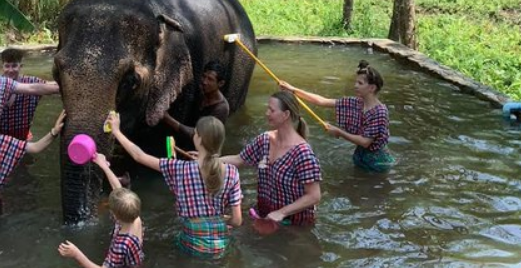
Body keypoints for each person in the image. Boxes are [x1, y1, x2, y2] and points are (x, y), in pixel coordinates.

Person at [109, 112, 243, 258]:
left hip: (192, 247)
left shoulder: (180, 168)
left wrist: (116, 131)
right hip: (220, 248)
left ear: (198, 139)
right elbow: (237, 221)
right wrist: (216, 220)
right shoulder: (232, 172)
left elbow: (139, 156)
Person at [221, 91, 322, 226]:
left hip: (293, 223)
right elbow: (239, 159)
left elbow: (314, 196)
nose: (266, 113)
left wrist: (282, 212)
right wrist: (209, 160)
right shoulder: (265, 140)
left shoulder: (303, 153)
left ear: (286, 115)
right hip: (265, 215)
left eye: (271, 110)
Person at [279, 60, 395, 172]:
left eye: (360, 83)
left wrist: (339, 132)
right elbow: (322, 101)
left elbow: (365, 142)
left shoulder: (380, 112)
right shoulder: (357, 103)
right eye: (356, 82)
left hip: (378, 163)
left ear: (372, 88)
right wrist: (293, 90)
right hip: (360, 155)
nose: (355, 86)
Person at [58, 153, 144, 268]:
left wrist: (76, 254)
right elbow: (118, 189)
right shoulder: (136, 219)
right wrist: (104, 166)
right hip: (136, 262)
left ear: (115, 215)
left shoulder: (120, 245)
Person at [162, 60, 230, 147]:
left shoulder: (221, 108)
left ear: (220, 83)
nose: (204, 82)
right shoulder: (200, 92)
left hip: (200, 149)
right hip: (183, 141)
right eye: (204, 76)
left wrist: (168, 119)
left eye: (210, 79)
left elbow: (199, 135)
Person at [0, 48, 46, 141]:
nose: (11, 70)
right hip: (0, 139)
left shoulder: (31, 82)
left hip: (23, 138)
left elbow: (50, 86)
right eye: (7, 66)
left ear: (21, 66)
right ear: (2, 67)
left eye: (14, 66)